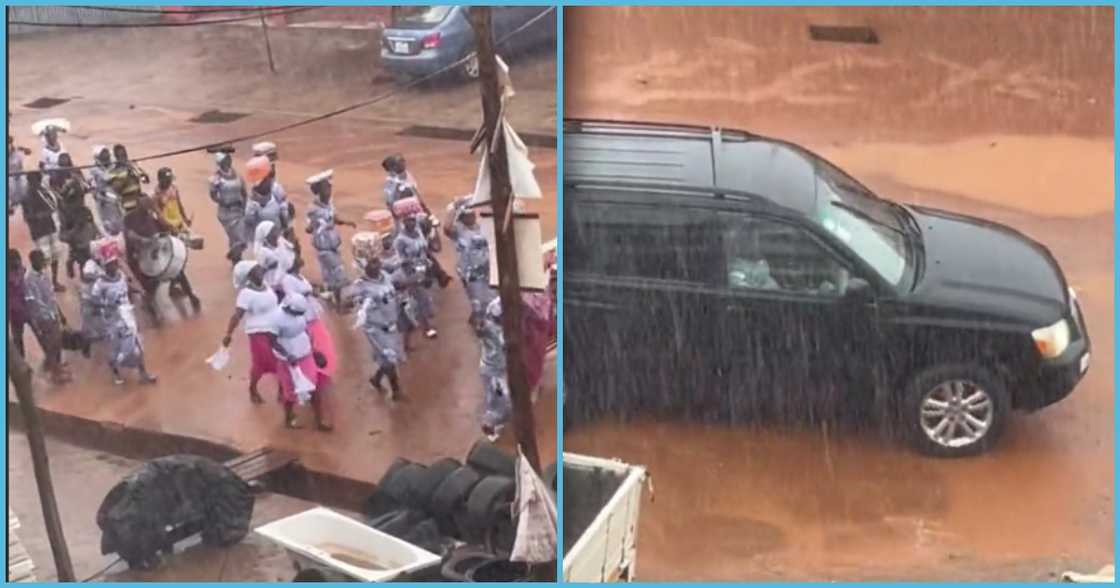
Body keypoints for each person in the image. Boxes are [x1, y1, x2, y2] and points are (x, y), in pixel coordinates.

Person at [123, 193, 202, 315]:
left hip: (155, 251)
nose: (147, 210)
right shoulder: (129, 219)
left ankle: (191, 295)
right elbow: (130, 235)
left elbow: (165, 229)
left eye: (149, 207)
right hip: (138, 255)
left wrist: (179, 232)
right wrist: (142, 240)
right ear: (138, 206)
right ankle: (151, 306)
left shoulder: (151, 217)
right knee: (148, 284)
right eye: (145, 207)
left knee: (178, 271)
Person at [264, 293, 333, 431]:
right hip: (289, 361)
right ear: (289, 308)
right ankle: (288, 418)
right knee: (290, 393)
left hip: (305, 355)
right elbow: (272, 341)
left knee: (314, 388)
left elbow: (306, 331)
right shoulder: (275, 319)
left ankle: (320, 420)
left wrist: (314, 350)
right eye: (297, 312)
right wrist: (287, 355)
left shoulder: (299, 313)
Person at [92, 256, 157, 385]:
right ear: (105, 267)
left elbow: (126, 287)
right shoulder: (99, 284)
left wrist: (139, 291)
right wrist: (107, 305)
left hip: (127, 316)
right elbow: (94, 301)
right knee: (116, 349)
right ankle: (115, 372)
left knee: (136, 343)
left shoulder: (120, 275)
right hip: (113, 320)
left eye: (116, 263)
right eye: (111, 264)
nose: (115, 266)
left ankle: (143, 374)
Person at [222, 262, 280, 405]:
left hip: (276, 329)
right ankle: (253, 389)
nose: (260, 270)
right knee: (263, 363)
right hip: (258, 333)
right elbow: (237, 316)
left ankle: (283, 389)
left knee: (281, 360)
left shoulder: (265, 284)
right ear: (249, 275)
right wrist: (228, 334)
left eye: (259, 268)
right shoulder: (246, 294)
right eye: (256, 269)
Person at [351, 257, 405, 402]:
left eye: (376, 262)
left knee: (390, 356)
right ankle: (396, 390)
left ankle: (376, 378)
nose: (375, 266)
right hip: (376, 328)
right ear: (364, 266)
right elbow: (352, 301)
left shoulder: (385, 276)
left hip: (391, 324)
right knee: (389, 358)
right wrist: (359, 301)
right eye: (371, 263)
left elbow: (394, 287)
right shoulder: (361, 286)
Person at [281, 258, 338, 384]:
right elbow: (292, 297)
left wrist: (316, 291)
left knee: (320, 340)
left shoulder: (299, 275)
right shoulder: (287, 279)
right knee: (312, 341)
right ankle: (312, 370)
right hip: (303, 313)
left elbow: (309, 289)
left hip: (311, 310)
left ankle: (320, 369)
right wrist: (307, 293)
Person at [305, 170, 356, 308]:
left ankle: (334, 299)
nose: (329, 190)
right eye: (326, 188)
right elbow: (308, 228)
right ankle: (340, 301)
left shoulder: (330, 203)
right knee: (338, 270)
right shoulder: (312, 209)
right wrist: (315, 226)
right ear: (318, 191)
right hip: (323, 247)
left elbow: (334, 218)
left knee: (331, 274)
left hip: (333, 244)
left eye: (329, 187)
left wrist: (346, 222)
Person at [24, 249, 72, 383]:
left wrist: (59, 313)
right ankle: (55, 374)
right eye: (40, 261)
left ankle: (58, 366)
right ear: (33, 262)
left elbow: (51, 296)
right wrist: (50, 315)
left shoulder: (43, 274)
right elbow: (36, 302)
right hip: (44, 318)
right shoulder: (29, 280)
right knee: (50, 345)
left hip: (53, 314)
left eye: (44, 260)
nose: (43, 263)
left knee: (57, 343)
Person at [55, 153, 99, 278]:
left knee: (84, 240)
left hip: (80, 209)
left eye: (66, 164)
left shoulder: (76, 172)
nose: (65, 167)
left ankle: (82, 268)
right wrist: (67, 189)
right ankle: (71, 260)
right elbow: (58, 195)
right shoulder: (56, 175)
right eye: (62, 164)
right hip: (67, 213)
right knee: (73, 241)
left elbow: (86, 188)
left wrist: (79, 183)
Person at [21, 171, 66, 292]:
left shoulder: (45, 192)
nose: (36, 184)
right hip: (39, 232)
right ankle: (44, 285)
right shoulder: (26, 197)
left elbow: (54, 206)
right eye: (34, 182)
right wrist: (38, 216)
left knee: (55, 256)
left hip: (50, 227)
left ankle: (55, 282)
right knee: (43, 259)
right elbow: (27, 217)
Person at [476, 297, 510, 441]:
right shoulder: (499, 332)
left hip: (487, 367)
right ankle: (489, 425)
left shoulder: (487, 325)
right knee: (503, 399)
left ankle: (493, 422)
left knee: (494, 398)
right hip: (494, 371)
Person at [452, 208, 495, 321]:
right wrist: (453, 207)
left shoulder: (482, 227)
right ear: (462, 218)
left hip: (487, 269)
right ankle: (479, 321)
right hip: (470, 273)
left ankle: (480, 317)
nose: (471, 216)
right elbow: (447, 228)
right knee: (476, 298)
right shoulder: (459, 230)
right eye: (467, 215)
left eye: (472, 214)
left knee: (490, 297)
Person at [208, 151, 248, 263]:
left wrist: (245, 206)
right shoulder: (216, 178)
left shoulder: (237, 175)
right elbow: (212, 195)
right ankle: (234, 256)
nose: (229, 160)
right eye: (227, 159)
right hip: (226, 213)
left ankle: (236, 258)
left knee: (239, 237)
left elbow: (243, 192)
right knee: (237, 236)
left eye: (230, 158)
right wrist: (222, 201)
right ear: (221, 162)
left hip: (239, 210)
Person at [253, 220, 296, 295]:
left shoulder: (280, 240)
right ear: (267, 234)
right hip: (273, 283)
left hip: (288, 277)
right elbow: (259, 271)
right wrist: (269, 266)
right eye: (273, 230)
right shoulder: (262, 251)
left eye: (275, 228)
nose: (277, 230)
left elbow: (291, 248)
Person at [90, 145, 124, 236]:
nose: (106, 156)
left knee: (122, 224)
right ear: (97, 157)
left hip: (118, 198)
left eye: (107, 153)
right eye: (103, 154)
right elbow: (94, 189)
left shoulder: (113, 165)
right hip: (104, 202)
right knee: (110, 227)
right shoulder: (94, 169)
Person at [108, 144, 149, 213]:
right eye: (120, 156)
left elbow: (145, 180)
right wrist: (125, 173)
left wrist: (138, 171)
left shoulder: (133, 166)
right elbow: (116, 189)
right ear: (115, 157)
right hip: (128, 204)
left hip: (139, 201)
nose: (123, 158)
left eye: (124, 155)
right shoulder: (113, 171)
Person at [78, 259, 108, 355]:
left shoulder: (105, 263)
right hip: (87, 297)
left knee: (101, 317)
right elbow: (86, 276)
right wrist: (100, 277)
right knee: (87, 323)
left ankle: (100, 335)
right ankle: (85, 346)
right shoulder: (89, 263)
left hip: (99, 298)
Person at [8, 250, 31, 358]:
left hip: (20, 310)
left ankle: (22, 362)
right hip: (20, 310)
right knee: (18, 338)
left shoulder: (20, 271)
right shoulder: (19, 273)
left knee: (17, 338)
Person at [8, 136, 31, 213]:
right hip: (8, 178)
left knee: (25, 180)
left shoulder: (18, 154)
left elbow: (23, 166)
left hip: (19, 176)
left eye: (8, 144)